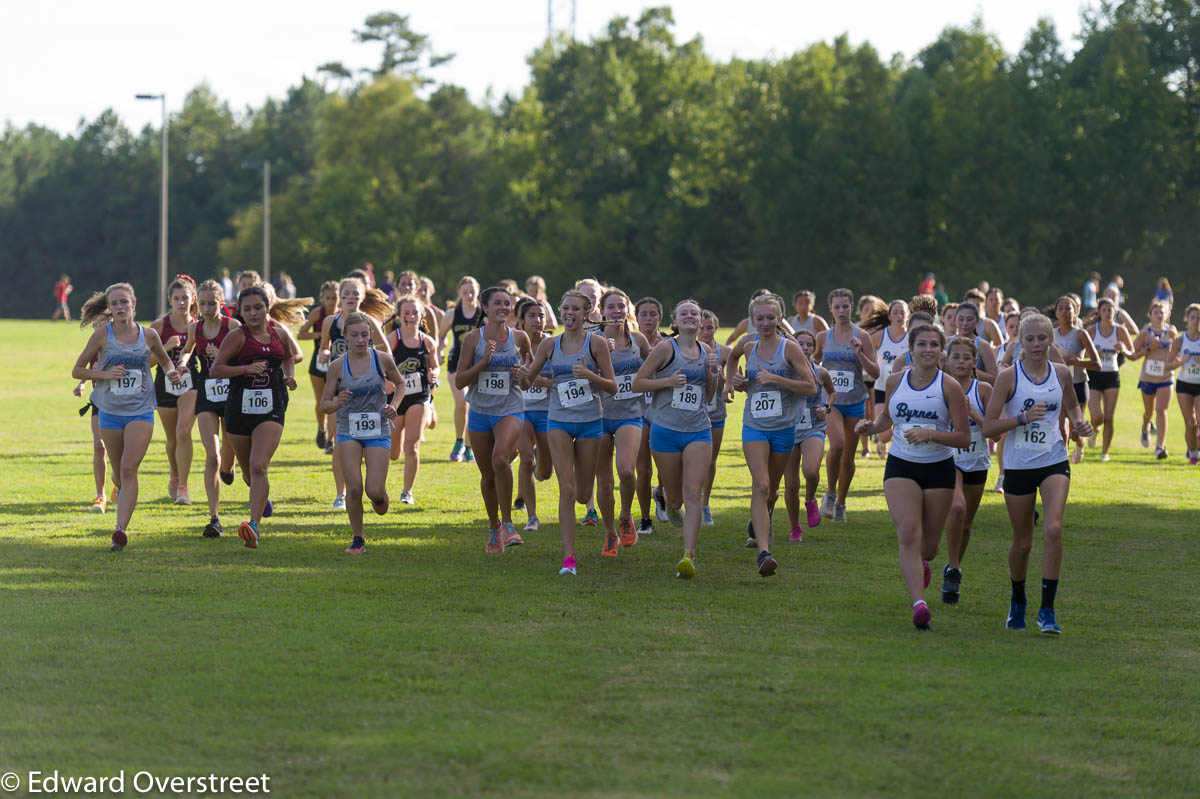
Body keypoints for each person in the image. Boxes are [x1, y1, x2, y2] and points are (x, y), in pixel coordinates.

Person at [982, 313, 1092, 635]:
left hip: (1054, 459)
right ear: (1020, 342)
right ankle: (1018, 600)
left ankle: (1047, 610)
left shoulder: (1061, 373)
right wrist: (1022, 418)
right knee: (1023, 542)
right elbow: (989, 427)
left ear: (1050, 340)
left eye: (1042, 338)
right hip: (1018, 464)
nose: (1036, 344)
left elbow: (1072, 406)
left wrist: (1078, 425)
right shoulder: (1008, 377)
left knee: (1054, 529)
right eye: (1029, 339)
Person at [855, 323, 970, 629]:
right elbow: (886, 419)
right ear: (912, 349)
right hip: (901, 465)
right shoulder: (894, 381)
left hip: (938, 468)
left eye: (934, 345)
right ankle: (919, 604)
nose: (929, 350)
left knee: (929, 548)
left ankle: (922, 564)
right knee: (908, 532)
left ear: (941, 351)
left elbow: (963, 437)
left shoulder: (949, 387)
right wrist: (870, 427)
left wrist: (931, 433)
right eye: (923, 344)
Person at [71, 283, 181, 551]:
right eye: (115, 303)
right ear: (109, 308)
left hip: (141, 411)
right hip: (109, 412)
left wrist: (172, 373)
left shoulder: (149, 335)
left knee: (130, 468)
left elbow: (165, 361)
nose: (120, 307)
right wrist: (104, 375)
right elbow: (77, 370)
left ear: (134, 304)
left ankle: (120, 530)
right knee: (120, 474)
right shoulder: (101, 335)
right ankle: (117, 488)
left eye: (124, 302)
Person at [518, 290, 616, 575]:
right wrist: (522, 375)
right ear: (560, 313)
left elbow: (612, 386)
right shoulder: (550, 345)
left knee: (585, 494)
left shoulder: (596, 344)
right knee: (568, 490)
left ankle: (609, 531)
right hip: (558, 421)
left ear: (586, 314)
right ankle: (569, 559)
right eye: (565, 309)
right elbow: (528, 382)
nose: (570, 314)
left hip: (590, 423)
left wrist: (591, 376)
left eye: (576, 309)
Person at [726, 292, 817, 576]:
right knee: (761, 484)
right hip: (754, 426)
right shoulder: (747, 345)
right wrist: (734, 383)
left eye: (771, 317)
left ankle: (761, 518)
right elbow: (731, 359)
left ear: (779, 320)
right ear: (751, 321)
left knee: (772, 490)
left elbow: (811, 387)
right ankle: (764, 552)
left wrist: (776, 379)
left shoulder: (789, 349)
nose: (765, 323)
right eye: (760, 318)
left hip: (784, 429)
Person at [210, 285, 303, 548]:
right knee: (249, 470)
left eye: (258, 308)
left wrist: (289, 376)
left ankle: (254, 526)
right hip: (239, 409)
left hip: (272, 406)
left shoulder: (279, 333)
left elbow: (288, 357)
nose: (252, 313)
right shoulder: (237, 337)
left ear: (267, 308)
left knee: (259, 465)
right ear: (240, 311)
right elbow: (216, 370)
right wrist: (246, 368)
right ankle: (260, 498)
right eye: (247, 309)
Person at [632, 299, 717, 578]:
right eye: (685, 314)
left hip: (698, 431)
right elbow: (638, 383)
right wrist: (667, 382)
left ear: (701, 320)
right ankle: (664, 496)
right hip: (665, 431)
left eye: (695, 313)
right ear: (676, 321)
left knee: (694, 492)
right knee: (677, 500)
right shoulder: (666, 348)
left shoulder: (706, 351)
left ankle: (688, 556)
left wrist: (714, 373)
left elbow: (707, 396)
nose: (690, 317)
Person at [321, 312, 407, 554]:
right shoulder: (338, 366)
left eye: (365, 335)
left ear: (370, 335)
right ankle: (358, 539)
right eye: (355, 335)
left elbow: (400, 384)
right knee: (355, 488)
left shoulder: (382, 359)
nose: (360, 339)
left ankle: (380, 498)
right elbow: (323, 404)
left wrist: (394, 405)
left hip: (378, 428)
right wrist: (337, 402)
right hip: (349, 429)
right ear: (345, 336)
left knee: (373, 490)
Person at [456, 287, 534, 552]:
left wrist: (522, 373)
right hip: (479, 412)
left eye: (507, 303)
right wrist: (483, 362)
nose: (503, 307)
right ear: (485, 308)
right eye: (497, 303)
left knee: (500, 458)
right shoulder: (472, 339)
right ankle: (494, 528)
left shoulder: (520, 338)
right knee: (488, 476)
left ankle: (510, 525)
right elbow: (460, 380)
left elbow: (528, 380)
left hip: (510, 409)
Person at [318, 277, 391, 505]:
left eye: (356, 294)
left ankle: (371, 486)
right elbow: (323, 349)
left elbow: (386, 350)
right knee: (340, 442)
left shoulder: (369, 321)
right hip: (339, 392)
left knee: (365, 442)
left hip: (368, 392)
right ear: (340, 296)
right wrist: (325, 355)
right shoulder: (330, 321)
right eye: (347, 294)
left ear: (362, 298)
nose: (351, 298)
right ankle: (341, 493)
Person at [179, 280, 240, 537]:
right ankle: (214, 518)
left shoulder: (233, 327)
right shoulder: (196, 329)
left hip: (233, 392)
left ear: (221, 303)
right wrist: (182, 364)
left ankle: (238, 471)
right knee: (212, 456)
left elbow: (245, 355)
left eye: (211, 303)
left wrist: (222, 355)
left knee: (234, 451)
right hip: (207, 392)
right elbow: (187, 351)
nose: (205, 308)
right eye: (202, 303)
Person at [815, 288, 878, 522]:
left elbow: (875, 371)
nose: (841, 310)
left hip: (855, 401)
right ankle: (830, 493)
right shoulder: (823, 337)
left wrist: (860, 353)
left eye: (845, 306)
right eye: (837, 306)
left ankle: (841, 502)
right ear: (830, 308)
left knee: (848, 457)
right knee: (837, 445)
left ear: (851, 307)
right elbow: (812, 363)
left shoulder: (862, 336)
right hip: (831, 400)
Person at [596, 288, 651, 556]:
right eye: (611, 307)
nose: (616, 311)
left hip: (630, 413)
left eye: (621, 306)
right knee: (604, 483)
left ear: (627, 309)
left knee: (627, 471)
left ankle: (627, 514)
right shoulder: (593, 341)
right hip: (597, 416)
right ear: (602, 311)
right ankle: (609, 533)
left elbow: (656, 365)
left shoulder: (638, 340)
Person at [942, 335, 992, 605]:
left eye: (966, 358)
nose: (960, 362)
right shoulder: (940, 386)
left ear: (974, 362)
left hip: (976, 459)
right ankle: (953, 568)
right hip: (948, 458)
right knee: (957, 508)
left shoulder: (982, 390)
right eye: (955, 357)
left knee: (967, 523)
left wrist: (971, 413)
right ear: (947, 361)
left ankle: (953, 567)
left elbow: (993, 430)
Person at [151, 276, 201, 506]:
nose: (181, 303)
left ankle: (183, 487)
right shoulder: (159, 326)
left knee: (183, 432)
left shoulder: (198, 325)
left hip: (190, 382)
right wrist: (166, 348)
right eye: (176, 299)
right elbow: (145, 362)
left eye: (185, 298)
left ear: (193, 300)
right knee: (172, 439)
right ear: (170, 300)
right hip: (164, 384)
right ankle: (174, 473)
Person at [386, 294, 439, 503]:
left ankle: (407, 492)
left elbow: (435, 365)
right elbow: (380, 365)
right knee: (393, 453)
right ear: (399, 315)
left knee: (412, 445)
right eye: (406, 313)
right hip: (396, 399)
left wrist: (434, 373)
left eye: (415, 312)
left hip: (420, 396)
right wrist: (384, 381)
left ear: (421, 314)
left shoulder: (427, 342)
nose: (411, 316)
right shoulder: (392, 339)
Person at [782, 328, 834, 542]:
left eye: (808, 345)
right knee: (791, 484)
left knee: (811, 470)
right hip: (787, 429)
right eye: (800, 344)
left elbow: (831, 392)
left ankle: (811, 499)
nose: (804, 348)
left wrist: (827, 407)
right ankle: (795, 527)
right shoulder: (784, 371)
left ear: (814, 349)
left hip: (813, 427)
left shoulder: (820, 372)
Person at [514, 297, 555, 532]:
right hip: (521, 410)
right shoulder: (511, 343)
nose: (538, 320)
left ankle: (543, 462)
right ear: (521, 320)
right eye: (532, 316)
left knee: (546, 472)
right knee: (526, 459)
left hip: (548, 411)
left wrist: (538, 380)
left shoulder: (552, 345)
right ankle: (532, 516)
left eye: (541, 316)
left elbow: (561, 381)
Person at [440, 276, 482, 464]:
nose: (469, 295)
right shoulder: (452, 314)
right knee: (462, 403)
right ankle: (459, 443)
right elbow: (440, 337)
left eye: (472, 291)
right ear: (459, 292)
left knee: (474, 406)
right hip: (456, 364)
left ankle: (469, 448)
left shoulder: (483, 314)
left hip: (478, 365)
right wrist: (440, 350)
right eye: (465, 292)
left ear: (478, 290)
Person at [1052, 296, 1099, 464]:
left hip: (1078, 384)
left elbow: (1097, 364)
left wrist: (1076, 362)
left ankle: (1080, 444)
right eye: (1061, 308)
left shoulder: (1081, 334)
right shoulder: (1050, 334)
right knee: (1060, 429)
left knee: (1075, 430)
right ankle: (1061, 466)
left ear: (1076, 312)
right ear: (1056, 313)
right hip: (1059, 386)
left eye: (1068, 308)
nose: (1065, 312)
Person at [1085, 297, 1133, 462]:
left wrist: (1123, 349)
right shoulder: (1091, 330)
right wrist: (1093, 355)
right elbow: (1082, 355)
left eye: (1110, 310)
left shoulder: (1120, 330)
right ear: (1099, 312)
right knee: (1097, 416)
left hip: (1112, 375)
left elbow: (1132, 353)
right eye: (1104, 310)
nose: (1107, 313)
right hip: (1094, 375)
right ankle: (1095, 430)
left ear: (1115, 312)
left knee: (1109, 417)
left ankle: (1105, 452)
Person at [634, 297, 665, 536]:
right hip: (637, 411)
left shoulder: (670, 343)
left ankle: (661, 492)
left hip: (665, 412)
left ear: (659, 317)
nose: (648, 318)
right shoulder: (629, 342)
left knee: (667, 467)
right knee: (643, 470)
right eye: (643, 314)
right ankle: (645, 518)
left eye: (652, 314)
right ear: (636, 317)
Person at [1131, 300, 1177, 459]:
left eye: (1162, 312)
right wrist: (1149, 348)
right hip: (1148, 377)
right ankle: (1145, 427)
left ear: (1168, 315)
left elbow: (1177, 354)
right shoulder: (1145, 332)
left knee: (1161, 410)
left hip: (1166, 376)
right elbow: (1133, 354)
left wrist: (1174, 340)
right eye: (1155, 312)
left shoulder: (1172, 332)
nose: (1159, 315)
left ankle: (1160, 447)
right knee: (1149, 412)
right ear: (1150, 315)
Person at [697, 309, 730, 526]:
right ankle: (689, 497)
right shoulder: (688, 349)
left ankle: (705, 504)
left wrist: (720, 373)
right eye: (702, 327)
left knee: (710, 460)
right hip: (691, 412)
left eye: (710, 327)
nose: (706, 331)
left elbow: (731, 382)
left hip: (716, 411)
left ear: (716, 329)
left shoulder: (725, 352)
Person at [298, 281, 339, 449]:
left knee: (335, 400)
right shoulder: (317, 313)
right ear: (322, 299)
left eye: (335, 297)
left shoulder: (344, 315)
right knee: (321, 401)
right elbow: (301, 334)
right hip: (318, 360)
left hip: (337, 361)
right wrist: (322, 335)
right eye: (328, 298)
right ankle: (321, 428)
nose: (332, 301)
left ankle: (331, 440)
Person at [868, 300, 909, 457]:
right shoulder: (880, 336)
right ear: (890, 316)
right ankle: (881, 442)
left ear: (908, 316)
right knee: (885, 434)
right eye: (895, 312)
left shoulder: (912, 338)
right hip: (882, 388)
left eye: (902, 312)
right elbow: (867, 352)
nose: (899, 316)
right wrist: (871, 367)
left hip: (905, 390)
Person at [1169, 303, 1200, 464]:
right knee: (1190, 423)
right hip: (1184, 385)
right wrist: (1181, 361)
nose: (1196, 321)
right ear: (1187, 319)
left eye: (1198, 318)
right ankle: (1193, 454)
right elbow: (1168, 365)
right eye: (1193, 317)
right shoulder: (1180, 341)